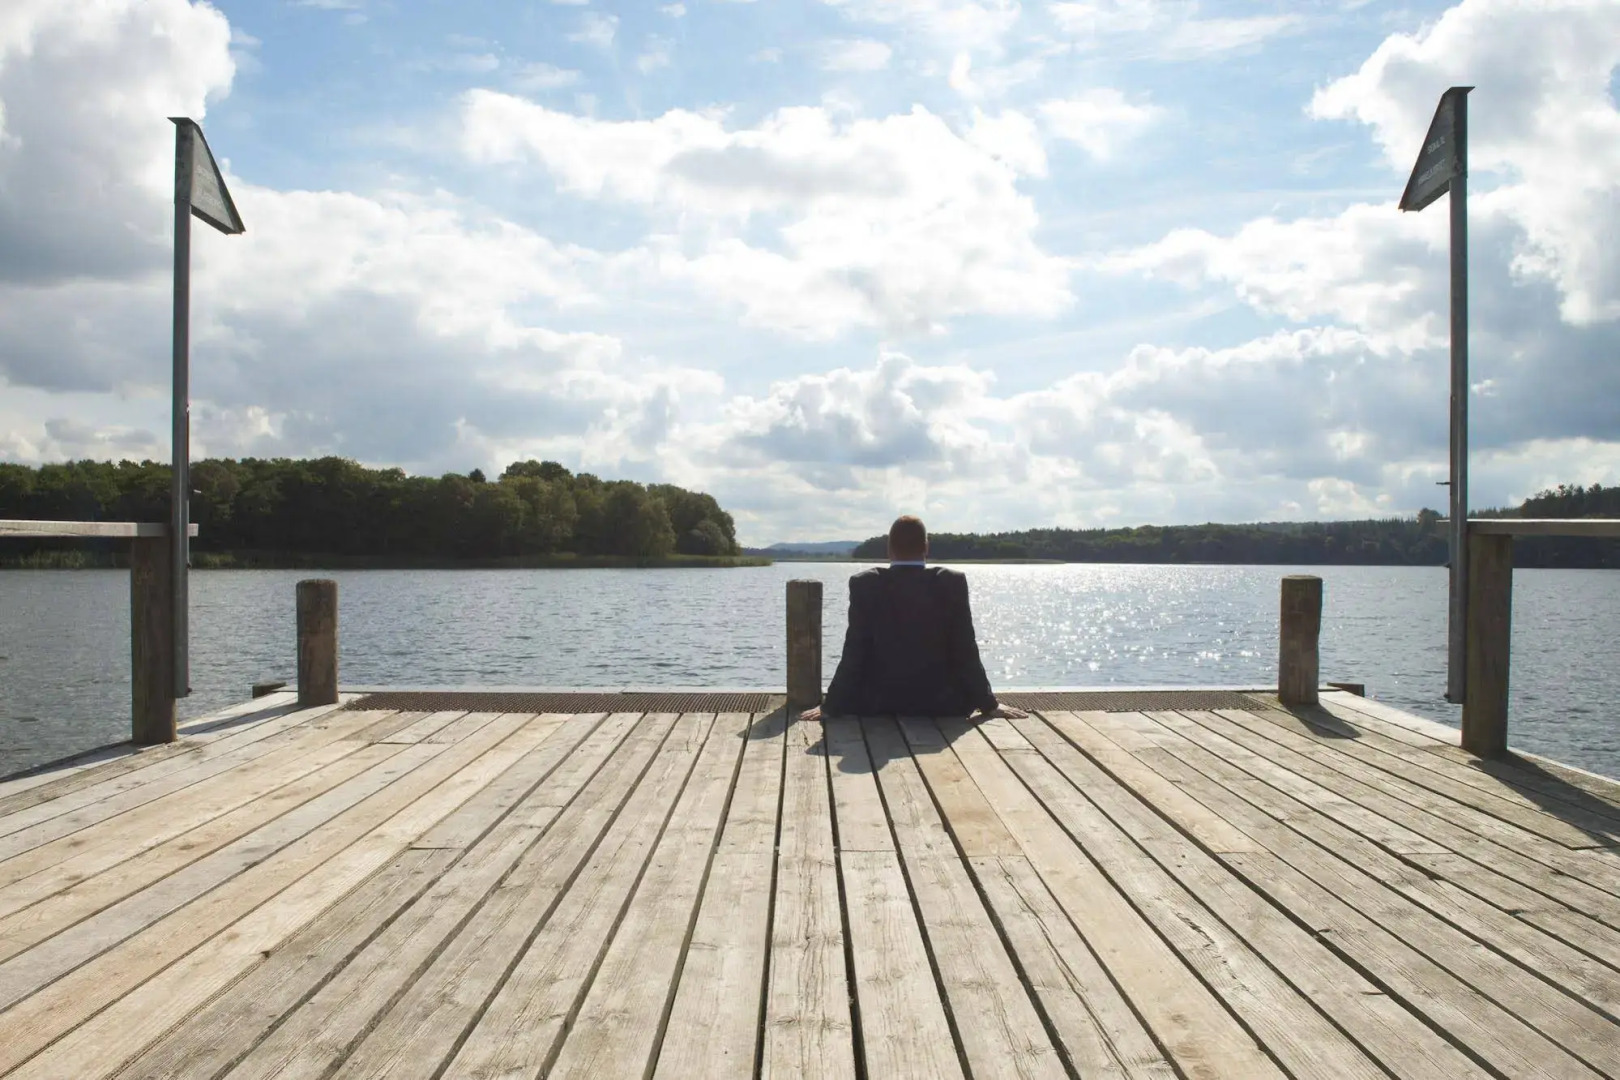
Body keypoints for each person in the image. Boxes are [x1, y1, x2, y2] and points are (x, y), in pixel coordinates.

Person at [798, 515, 1027, 722]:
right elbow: (965, 648)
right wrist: (989, 705)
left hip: (877, 704)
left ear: (889, 549)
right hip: (943, 704)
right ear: (926, 548)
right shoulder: (951, 582)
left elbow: (855, 650)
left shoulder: (865, 583)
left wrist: (831, 706)